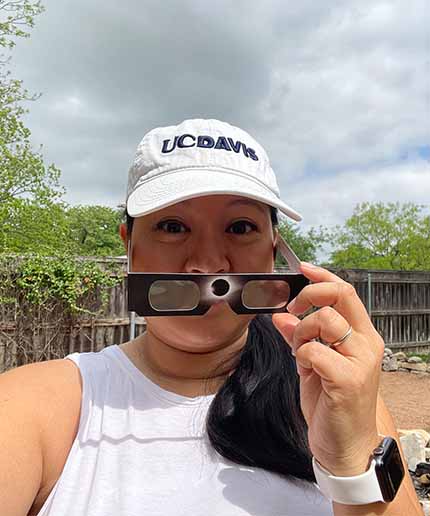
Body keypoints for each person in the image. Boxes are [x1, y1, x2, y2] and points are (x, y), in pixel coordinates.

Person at [0, 119, 421, 516]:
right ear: (129, 245)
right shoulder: (37, 405)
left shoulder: (335, 393)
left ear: (274, 251)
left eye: (239, 227)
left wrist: (350, 462)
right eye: (171, 225)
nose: (206, 264)